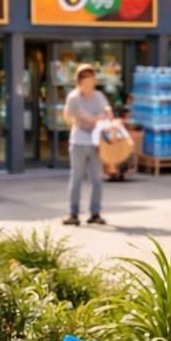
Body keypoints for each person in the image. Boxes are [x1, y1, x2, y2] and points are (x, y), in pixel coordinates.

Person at [63, 64, 112, 225]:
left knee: (96, 179)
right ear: (79, 81)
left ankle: (95, 213)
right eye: (84, 80)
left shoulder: (99, 96)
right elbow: (76, 116)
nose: (88, 83)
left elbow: (106, 111)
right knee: (76, 178)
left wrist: (106, 113)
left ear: (94, 80)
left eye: (90, 79)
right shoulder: (73, 97)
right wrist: (97, 118)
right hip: (78, 141)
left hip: (96, 142)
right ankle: (73, 214)